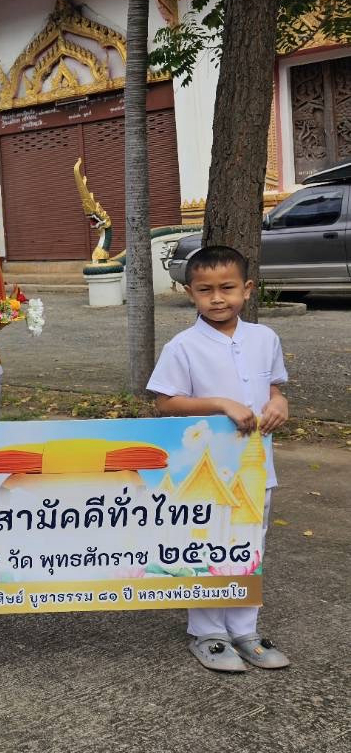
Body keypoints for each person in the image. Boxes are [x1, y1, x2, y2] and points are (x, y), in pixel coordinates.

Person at [148, 244, 291, 673]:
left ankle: (245, 630)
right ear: (189, 292)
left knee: (250, 543)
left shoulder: (265, 339)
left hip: (255, 465)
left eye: (227, 288)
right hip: (204, 467)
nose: (217, 298)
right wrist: (219, 404)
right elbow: (165, 403)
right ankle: (208, 632)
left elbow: (276, 387)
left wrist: (279, 402)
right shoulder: (183, 346)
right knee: (206, 542)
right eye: (204, 290)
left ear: (247, 289)